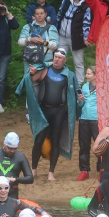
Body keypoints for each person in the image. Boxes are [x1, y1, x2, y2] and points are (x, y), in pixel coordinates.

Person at [24, 48, 79, 181]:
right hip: (44, 110)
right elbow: (32, 80)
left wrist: (75, 110)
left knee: (56, 141)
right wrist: (31, 73)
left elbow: (75, 94)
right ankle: (34, 169)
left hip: (59, 111)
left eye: (60, 58)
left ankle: (51, 172)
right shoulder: (45, 69)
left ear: (64, 60)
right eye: (55, 57)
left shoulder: (69, 75)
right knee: (39, 140)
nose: (56, 60)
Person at [56, 0, 91, 84]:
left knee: (78, 62)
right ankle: (58, 81)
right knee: (59, 59)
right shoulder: (66, 1)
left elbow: (86, 23)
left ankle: (79, 84)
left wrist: (85, 37)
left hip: (76, 38)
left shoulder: (85, 6)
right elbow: (59, 15)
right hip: (62, 36)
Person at [0, 132, 33, 200]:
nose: (12, 151)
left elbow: (30, 178)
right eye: (9, 148)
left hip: (12, 194)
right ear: (4, 144)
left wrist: (16, 179)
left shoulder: (20, 157)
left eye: (15, 148)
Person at [19, 3, 59, 70]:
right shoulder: (27, 27)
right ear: (34, 15)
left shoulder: (51, 28)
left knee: (45, 80)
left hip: (46, 60)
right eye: (37, 14)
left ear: (45, 15)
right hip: (30, 59)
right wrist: (29, 39)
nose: (39, 15)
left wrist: (43, 42)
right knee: (29, 79)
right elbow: (20, 43)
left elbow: (55, 45)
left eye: (41, 13)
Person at [76, 66, 98, 181]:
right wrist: (80, 101)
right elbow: (80, 105)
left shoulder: (102, 88)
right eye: (86, 73)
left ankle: (101, 170)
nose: (86, 76)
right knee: (84, 145)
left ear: (95, 75)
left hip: (96, 120)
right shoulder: (84, 86)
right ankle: (84, 170)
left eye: (89, 74)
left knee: (100, 146)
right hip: (84, 119)